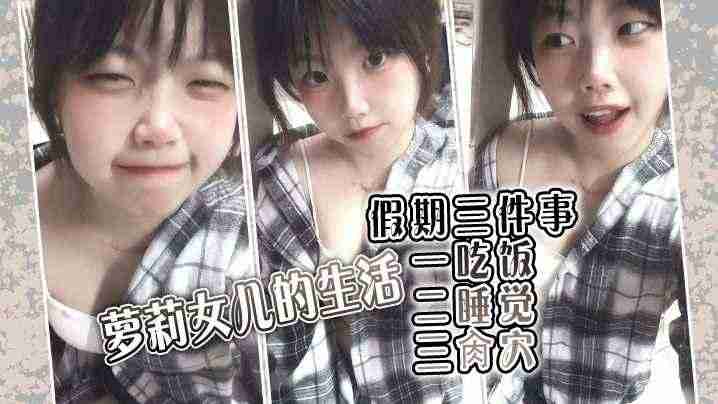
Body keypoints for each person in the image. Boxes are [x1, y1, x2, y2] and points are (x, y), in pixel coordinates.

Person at [470, 0, 694, 403]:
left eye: (631, 29)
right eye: (559, 39)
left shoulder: (684, 194)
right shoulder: (499, 154)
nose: (595, 75)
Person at [29, 1, 248, 402]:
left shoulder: (265, 231)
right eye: (112, 76)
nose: (158, 128)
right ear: (54, 89)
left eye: (205, 81)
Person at [252, 0, 463, 402]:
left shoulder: (461, 170)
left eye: (376, 59)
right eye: (316, 76)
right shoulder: (283, 184)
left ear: (422, 41)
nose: (353, 106)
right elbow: (286, 358)